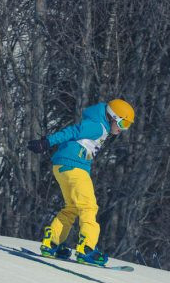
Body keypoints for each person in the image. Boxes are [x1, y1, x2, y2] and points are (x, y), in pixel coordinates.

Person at [27, 99, 135, 266]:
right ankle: (86, 249)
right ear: (113, 116)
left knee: (72, 207)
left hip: (63, 167)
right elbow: (72, 131)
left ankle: (52, 243)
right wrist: (47, 142)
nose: (123, 128)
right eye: (123, 122)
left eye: (127, 125)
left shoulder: (101, 127)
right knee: (88, 206)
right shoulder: (97, 126)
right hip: (73, 167)